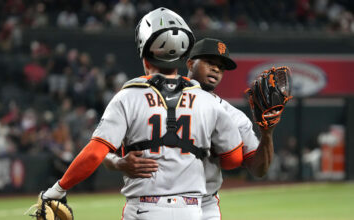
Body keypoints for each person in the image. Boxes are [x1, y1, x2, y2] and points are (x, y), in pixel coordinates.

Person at [41, 8, 243, 220]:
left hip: (145, 208)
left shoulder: (128, 97)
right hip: (192, 210)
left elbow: (94, 154)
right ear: (184, 57)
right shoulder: (208, 101)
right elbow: (234, 160)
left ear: (145, 56)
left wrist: (58, 189)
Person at [104, 38, 276, 220]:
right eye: (210, 62)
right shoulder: (147, 100)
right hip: (152, 202)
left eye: (221, 67)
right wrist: (118, 163)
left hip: (205, 205)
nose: (216, 69)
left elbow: (259, 170)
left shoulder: (233, 116)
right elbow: (104, 152)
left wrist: (267, 133)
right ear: (190, 63)